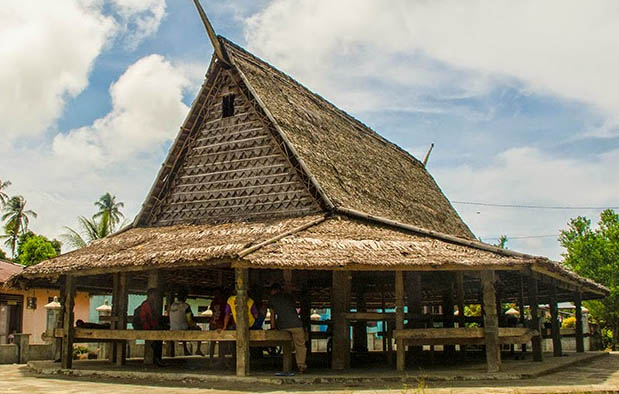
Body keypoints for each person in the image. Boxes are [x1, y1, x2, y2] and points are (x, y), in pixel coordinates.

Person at [267, 283, 307, 373]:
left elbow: (272, 315)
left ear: (273, 291)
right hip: (297, 324)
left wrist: (273, 327)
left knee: (287, 343)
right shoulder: (289, 297)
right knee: (300, 345)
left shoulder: (272, 299)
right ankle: (301, 365)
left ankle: (289, 357)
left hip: (283, 325)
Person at [169, 289, 204, 356]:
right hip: (183, 328)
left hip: (172, 328)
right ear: (185, 297)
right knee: (198, 330)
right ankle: (198, 350)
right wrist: (194, 326)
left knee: (183, 327)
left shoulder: (172, 305)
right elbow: (189, 320)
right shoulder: (186, 306)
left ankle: (185, 350)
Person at [138, 288, 164, 367]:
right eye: (154, 295)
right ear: (150, 295)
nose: (156, 297)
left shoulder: (150, 304)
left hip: (149, 325)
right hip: (145, 326)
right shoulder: (147, 305)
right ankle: (157, 358)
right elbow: (149, 317)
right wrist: (154, 326)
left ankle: (157, 358)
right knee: (158, 339)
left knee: (160, 337)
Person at [208, 287, 228, 364]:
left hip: (213, 322)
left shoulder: (213, 302)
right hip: (219, 323)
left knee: (213, 342)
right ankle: (220, 358)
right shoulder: (224, 303)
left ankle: (212, 358)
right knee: (221, 342)